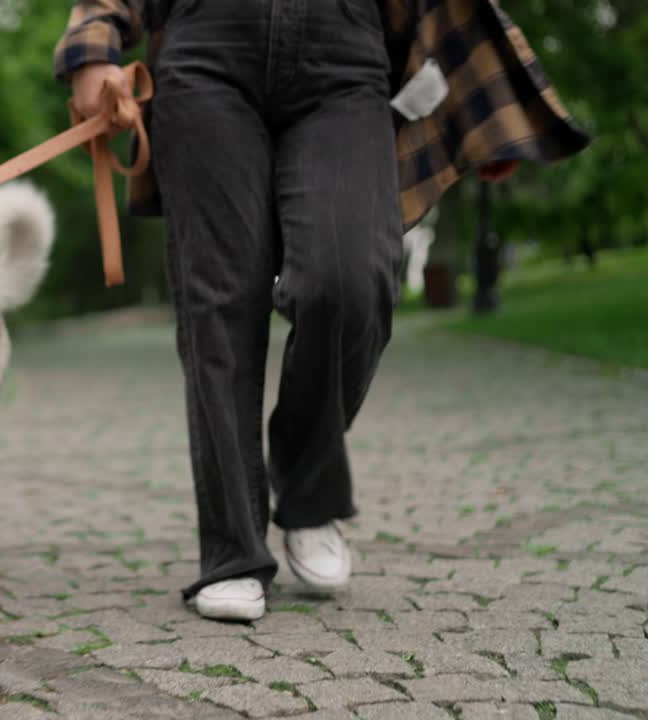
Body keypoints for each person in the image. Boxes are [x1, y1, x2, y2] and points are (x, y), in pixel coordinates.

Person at [55, 0, 588, 621]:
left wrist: (471, 110)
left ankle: (308, 492)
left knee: (352, 280)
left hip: (345, 54)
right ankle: (231, 549)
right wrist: (92, 48)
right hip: (205, 51)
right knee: (220, 302)